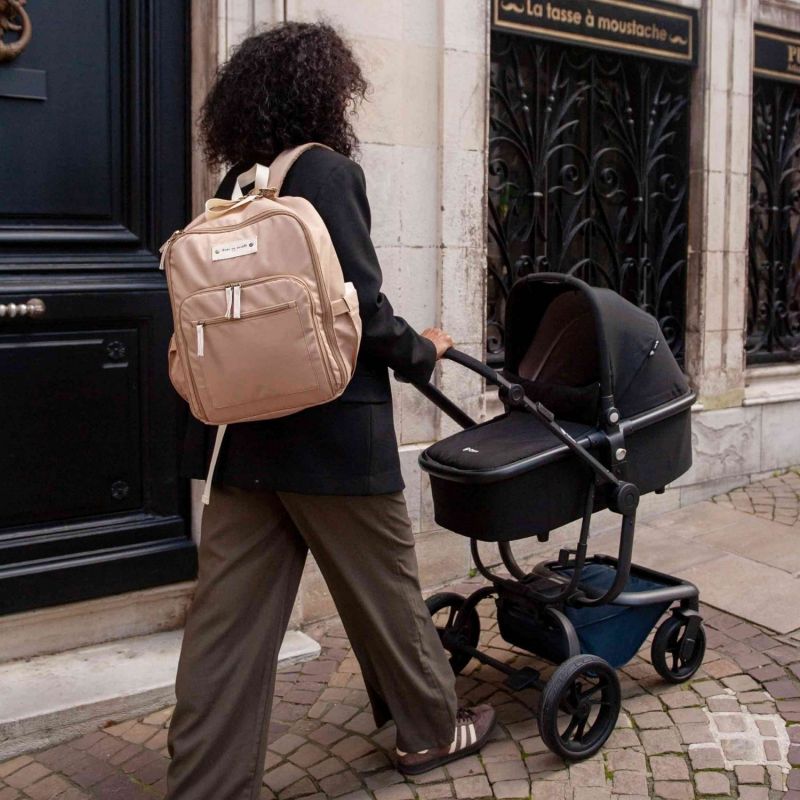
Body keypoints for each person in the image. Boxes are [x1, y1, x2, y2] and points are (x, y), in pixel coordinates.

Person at [165, 20, 496, 800]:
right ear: (325, 91)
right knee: (388, 597)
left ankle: (204, 785)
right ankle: (429, 731)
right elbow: (365, 313)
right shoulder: (327, 173)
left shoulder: (232, 190)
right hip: (334, 440)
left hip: (241, 443)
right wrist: (427, 351)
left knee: (225, 629)